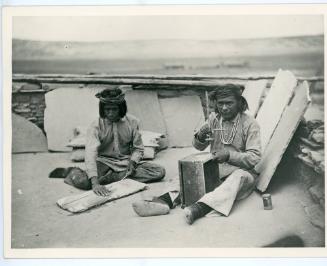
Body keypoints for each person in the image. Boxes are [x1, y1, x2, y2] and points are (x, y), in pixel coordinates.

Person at [132, 84, 261, 224]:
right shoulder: (214, 119)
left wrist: (229, 155)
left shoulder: (250, 124)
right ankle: (164, 202)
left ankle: (199, 209)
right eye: (220, 103)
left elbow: (254, 157)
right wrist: (200, 136)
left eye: (229, 103)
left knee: (239, 177)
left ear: (239, 102)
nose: (224, 108)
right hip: (215, 172)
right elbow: (198, 146)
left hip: (240, 173)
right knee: (183, 174)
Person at [50, 87, 166, 196]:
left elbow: (138, 148)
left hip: (125, 163)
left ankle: (112, 178)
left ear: (121, 108)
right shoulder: (95, 126)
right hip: (103, 162)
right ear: (102, 109)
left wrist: (133, 162)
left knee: (159, 172)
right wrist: (95, 183)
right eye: (107, 110)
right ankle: (73, 171)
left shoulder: (133, 122)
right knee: (85, 183)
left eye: (114, 109)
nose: (110, 113)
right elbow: (90, 154)